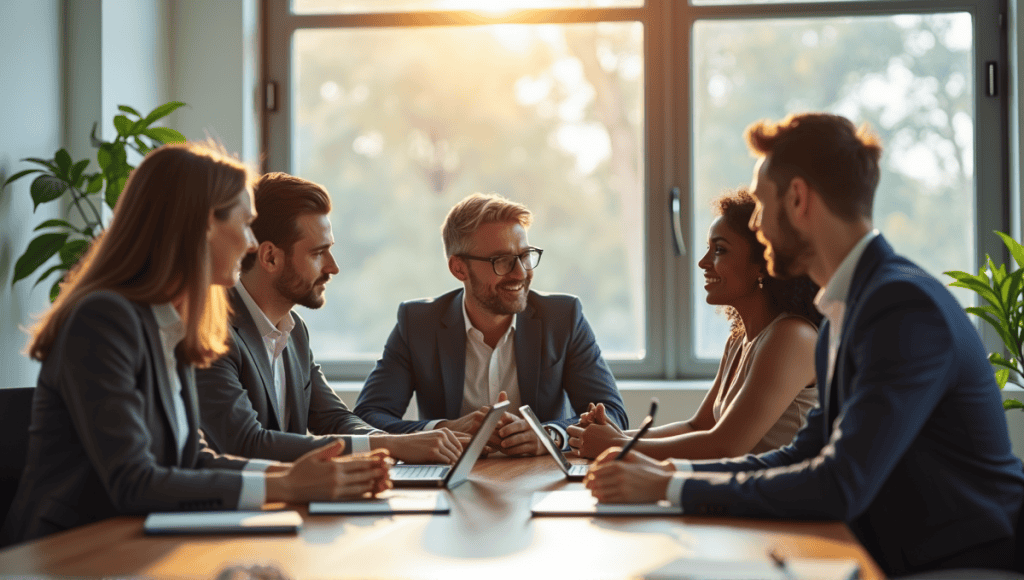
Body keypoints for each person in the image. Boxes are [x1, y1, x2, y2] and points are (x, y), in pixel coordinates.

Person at [583, 113, 1024, 577]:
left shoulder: (900, 306)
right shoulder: (843, 310)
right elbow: (804, 454)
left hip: (966, 562)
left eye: (758, 204)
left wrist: (668, 489)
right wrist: (673, 476)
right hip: (895, 553)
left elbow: (840, 482)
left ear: (797, 199)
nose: (756, 224)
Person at [1, 143, 391, 545]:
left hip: (136, 544)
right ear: (203, 224)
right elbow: (134, 482)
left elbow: (196, 460)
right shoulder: (103, 319)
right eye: (243, 225)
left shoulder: (173, 325)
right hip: (67, 554)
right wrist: (287, 487)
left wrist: (299, 477)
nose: (253, 244)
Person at [195, 172, 467, 464]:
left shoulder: (294, 330)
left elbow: (335, 419)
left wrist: (397, 444)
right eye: (318, 253)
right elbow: (246, 443)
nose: (333, 267)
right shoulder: (213, 330)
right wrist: (392, 446)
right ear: (271, 257)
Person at [353, 192, 628, 456]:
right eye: (503, 261)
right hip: (453, 481)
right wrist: (444, 429)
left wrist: (550, 436)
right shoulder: (418, 324)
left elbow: (613, 416)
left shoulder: (563, 317)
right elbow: (368, 417)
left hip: (542, 481)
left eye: (525, 255)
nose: (520, 273)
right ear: (458, 268)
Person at [567, 188, 821, 461]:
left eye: (720, 250)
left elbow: (724, 446)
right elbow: (698, 426)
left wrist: (615, 446)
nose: (702, 262)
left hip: (776, 500)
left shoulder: (792, 336)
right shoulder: (739, 338)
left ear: (762, 263)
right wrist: (613, 436)